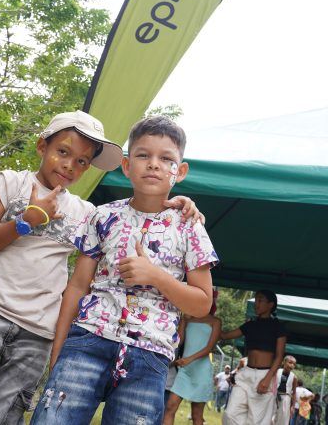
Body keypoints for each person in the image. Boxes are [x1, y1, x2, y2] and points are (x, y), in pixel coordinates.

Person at [0, 112, 204, 425]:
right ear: (42, 146)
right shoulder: (12, 183)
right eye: (63, 152)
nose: (69, 165)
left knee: (7, 415)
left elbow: (138, 211)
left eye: (82, 161)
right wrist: (26, 221)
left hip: (38, 329)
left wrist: (180, 202)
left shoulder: (86, 213)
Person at [29, 116, 217, 425]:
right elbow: (77, 286)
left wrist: (156, 276)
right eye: (143, 155)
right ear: (127, 166)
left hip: (150, 354)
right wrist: (59, 349)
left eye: (166, 158)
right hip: (88, 340)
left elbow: (202, 304)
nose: (153, 164)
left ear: (180, 171)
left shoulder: (190, 227)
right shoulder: (102, 216)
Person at [220, 290, 287, 425]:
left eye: (260, 300)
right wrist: (212, 321)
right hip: (246, 374)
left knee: (257, 421)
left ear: (270, 304)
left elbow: (279, 356)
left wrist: (267, 379)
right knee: (230, 414)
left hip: (265, 375)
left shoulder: (278, 327)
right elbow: (224, 335)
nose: (256, 304)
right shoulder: (250, 325)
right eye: (256, 300)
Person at [164, 300, 222, 425]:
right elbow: (179, 341)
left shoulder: (215, 321)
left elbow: (209, 348)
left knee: (196, 415)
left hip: (201, 371)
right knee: (170, 407)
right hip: (185, 370)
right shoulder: (188, 318)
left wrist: (189, 359)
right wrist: (183, 321)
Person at [273, 355, 297, 425]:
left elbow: (294, 393)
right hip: (274, 396)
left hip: (285, 398)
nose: (292, 365)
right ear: (284, 362)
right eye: (290, 362)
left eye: (294, 364)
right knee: (270, 416)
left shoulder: (294, 377)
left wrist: (293, 406)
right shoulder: (276, 371)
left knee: (283, 419)